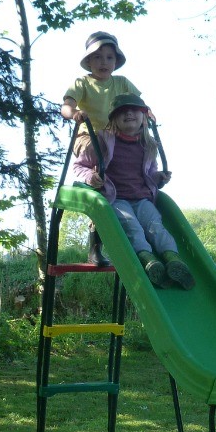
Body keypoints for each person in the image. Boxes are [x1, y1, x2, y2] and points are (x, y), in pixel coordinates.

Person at [72, 93, 195, 291]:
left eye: (134, 110)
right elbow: (80, 166)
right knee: (132, 227)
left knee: (156, 227)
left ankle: (173, 259)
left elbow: (149, 172)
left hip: (142, 199)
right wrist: (90, 177)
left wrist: (159, 178)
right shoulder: (103, 141)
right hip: (117, 198)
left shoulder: (148, 145)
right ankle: (148, 259)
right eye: (122, 111)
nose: (128, 113)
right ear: (114, 119)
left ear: (144, 117)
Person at [60, 31, 142, 265]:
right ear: (88, 61)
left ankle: (146, 181)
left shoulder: (122, 83)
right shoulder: (82, 83)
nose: (103, 62)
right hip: (90, 139)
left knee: (141, 147)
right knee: (102, 164)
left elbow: (139, 105)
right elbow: (65, 106)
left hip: (116, 139)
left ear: (115, 62)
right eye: (97, 57)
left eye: (109, 57)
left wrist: (149, 112)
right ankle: (95, 246)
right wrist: (73, 113)